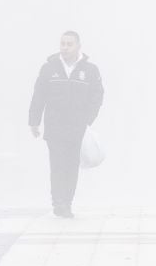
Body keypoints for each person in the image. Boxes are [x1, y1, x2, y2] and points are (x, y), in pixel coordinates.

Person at [28, 30, 104, 218]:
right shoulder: (49, 68)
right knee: (57, 165)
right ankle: (58, 202)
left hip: (77, 128)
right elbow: (39, 95)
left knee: (71, 166)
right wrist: (34, 121)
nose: (65, 47)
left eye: (69, 44)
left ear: (78, 46)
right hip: (55, 127)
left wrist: (88, 118)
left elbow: (97, 96)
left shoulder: (90, 70)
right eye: (63, 43)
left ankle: (67, 202)